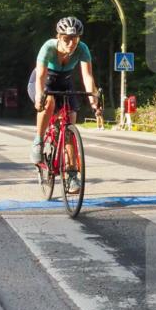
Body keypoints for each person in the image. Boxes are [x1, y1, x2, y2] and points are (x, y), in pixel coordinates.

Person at [27, 17, 99, 193]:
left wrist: (93, 100)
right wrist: (39, 97)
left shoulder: (82, 49)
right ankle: (38, 142)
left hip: (65, 83)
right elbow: (41, 77)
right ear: (58, 37)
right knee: (49, 102)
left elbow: (87, 77)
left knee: (70, 125)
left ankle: (72, 174)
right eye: (66, 39)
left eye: (74, 38)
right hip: (44, 81)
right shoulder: (48, 47)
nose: (71, 43)